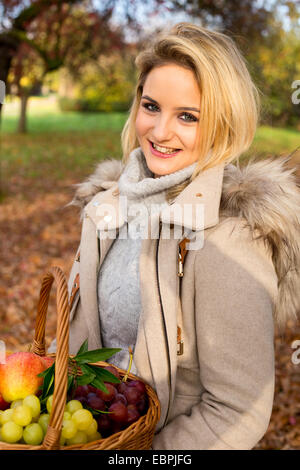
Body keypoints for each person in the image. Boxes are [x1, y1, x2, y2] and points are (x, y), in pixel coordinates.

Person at [49, 22, 300, 450]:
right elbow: (80, 339)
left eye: (187, 116)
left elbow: (237, 410)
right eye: (151, 106)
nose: (160, 132)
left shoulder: (230, 237)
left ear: (223, 123)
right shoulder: (108, 207)